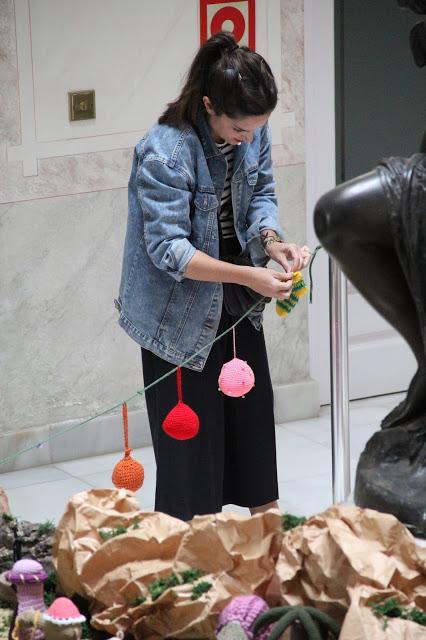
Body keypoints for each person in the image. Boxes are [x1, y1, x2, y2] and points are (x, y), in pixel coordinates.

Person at [116, 31, 310, 522]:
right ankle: (189, 577)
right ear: (208, 104)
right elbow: (169, 250)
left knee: (253, 445)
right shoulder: (163, 152)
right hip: (177, 314)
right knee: (190, 464)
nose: (249, 139)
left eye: (257, 129)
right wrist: (249, 274)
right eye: (240, 130)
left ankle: (268, 558)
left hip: (239, 298)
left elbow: (262, 191)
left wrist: (271, 243)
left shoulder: (253, 131)